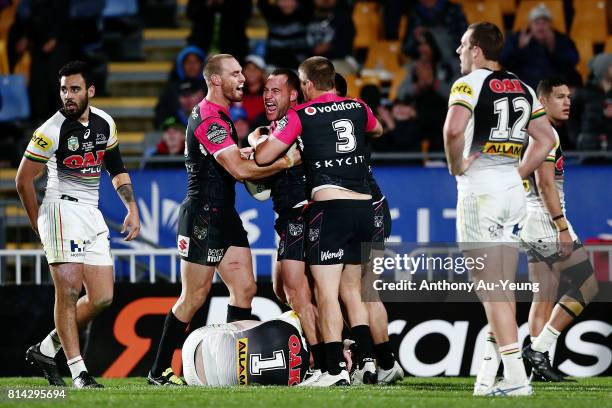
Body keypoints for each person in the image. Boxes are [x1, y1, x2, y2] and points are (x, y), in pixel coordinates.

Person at [147, 54, 301, 386]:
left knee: (244, 288)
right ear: (215, 80)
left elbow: (234, 159)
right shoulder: (209, 118)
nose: (243, 80)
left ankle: (233, 365)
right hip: (203, 215)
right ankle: (158, 369)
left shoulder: (220, 116)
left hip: (224, 214)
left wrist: (253, 151)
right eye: (235, 74)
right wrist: (285, 161)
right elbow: (240, 170)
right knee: (194, 297)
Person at [255, 56, 383, 386]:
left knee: (326, 295)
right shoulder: (357, 106)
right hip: (364, 208)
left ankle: (333, 370)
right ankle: (369, 363)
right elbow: (378, 129)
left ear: (308, 85)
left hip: (331, 208)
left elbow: (263, 157)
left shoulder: (301, 115)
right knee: (352, 292)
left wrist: (260, 141)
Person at [443, 22, 555, 396]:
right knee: (503, 289)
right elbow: (547, 139)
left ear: (476, 50)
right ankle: (488, 378)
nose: (458, 51)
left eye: (462, 45)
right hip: (512, 191)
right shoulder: (522, 86)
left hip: (482, 191)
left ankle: (518, 380)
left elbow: (454, 130)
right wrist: (519, 172)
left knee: (491, 289)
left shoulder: (468, 84)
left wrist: (455, 165)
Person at [16, 61, 140, 388]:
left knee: (101, 297)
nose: (68, 96)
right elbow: (23, 180)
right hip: (60, 209)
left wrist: (132, 206)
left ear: (90, 91)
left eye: (74, 89)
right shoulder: (50, 130)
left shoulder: (105, 123)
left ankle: (46, 349)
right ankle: (78, 372)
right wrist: (37, 223)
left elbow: (115, 166)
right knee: (69, 290)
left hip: (91, 212)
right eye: (63, 90)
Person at [247, 68, 324, 383]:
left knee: (298, 291)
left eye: (276, 90)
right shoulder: (277, 127)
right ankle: (342, 348)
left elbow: (259, 163)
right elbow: (260, 149)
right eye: (266, 90)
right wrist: (256, 138)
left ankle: (326, 362)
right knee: (284, 289)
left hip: (301, 213)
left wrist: (257, 144)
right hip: (288, 217)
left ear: (294, 94)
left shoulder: (296, 123)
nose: (268, 95)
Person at [520, 77, 599, 381]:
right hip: (546, 222)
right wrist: (562, 227)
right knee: (588, 285)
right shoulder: (546, 134)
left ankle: (539, 366)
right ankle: (539, 349)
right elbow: (544, 183)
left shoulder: (531, 131)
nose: (567, 102)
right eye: (559, 97)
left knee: (544, 297)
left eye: (568, 97)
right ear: (542, 102)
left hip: (531, 220)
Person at [335, 73, 404, 385]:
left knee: (358, 289)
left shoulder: (327, 115)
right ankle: (384, 361)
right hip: (370, 204)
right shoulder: (355, 110)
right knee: (360, 290)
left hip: (364, 205)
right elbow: (377, 127)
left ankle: (375, 361)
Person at [182, 311, 310, 386]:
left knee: (239, 329)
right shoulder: (298, 382)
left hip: (194, 344)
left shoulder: (290, 325)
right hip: (202, 382)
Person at [500, 4, 580, 89]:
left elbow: (574, 60)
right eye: (537, 22)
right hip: (524, 90)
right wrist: (519, 48)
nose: (540, 27)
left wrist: (554, 48)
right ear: (530, 24)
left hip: (553, 90)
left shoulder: (560, 39)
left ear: (550, 24)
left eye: (544, 23)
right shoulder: (517, 38)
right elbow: (503, 60)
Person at [257, 0, 312, 69]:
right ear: (277, 2)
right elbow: (262, 3)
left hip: (299, 65)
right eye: (283, 0)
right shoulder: (271, 14)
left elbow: (309, 4)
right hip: (274, 64)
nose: (287, 4)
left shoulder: (304, 15)